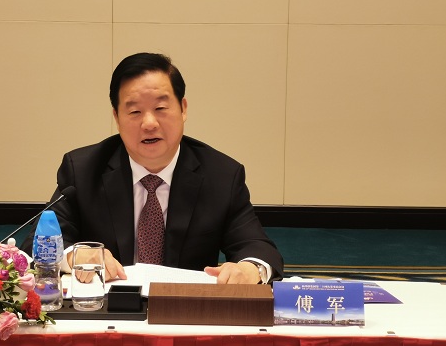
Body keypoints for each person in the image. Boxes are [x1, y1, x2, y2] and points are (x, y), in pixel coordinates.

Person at [21, 52, 283, 284]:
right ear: (117, 118)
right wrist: (75, 255)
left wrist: (250, 269)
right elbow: (35, 245)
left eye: (160, 108)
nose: (149, 123)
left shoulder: (221, 175)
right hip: (108, 309)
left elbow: (257, 248)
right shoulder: (83, 170)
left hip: (185, 310)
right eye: (135, 112)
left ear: (183, 109)